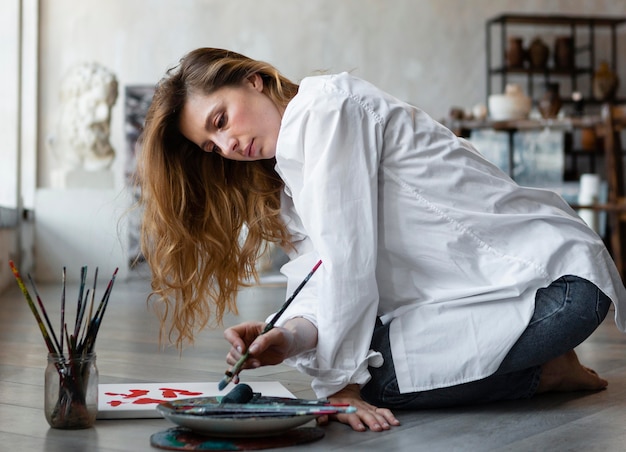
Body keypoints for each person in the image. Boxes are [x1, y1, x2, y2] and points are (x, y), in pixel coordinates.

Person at [138, 47, 626, 432]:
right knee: (356, 364)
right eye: (210, 145)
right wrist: (285, 338)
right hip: (479, 299)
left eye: (220, 121)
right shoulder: (287, 182)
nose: (226, 147)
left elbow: (347, 258)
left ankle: (541, 371)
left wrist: (341, 388)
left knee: (370, 380)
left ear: (252, 80)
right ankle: (542, 367)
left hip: (559, 284)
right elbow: (322, 279)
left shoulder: (325, 109)